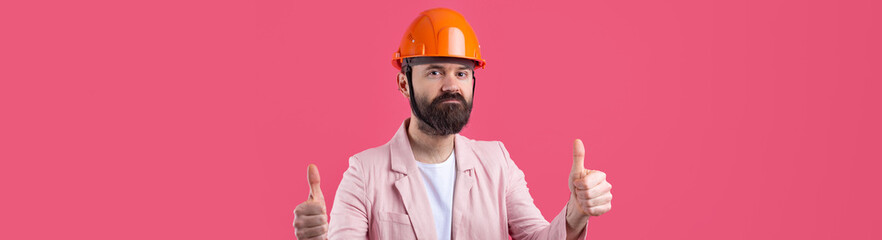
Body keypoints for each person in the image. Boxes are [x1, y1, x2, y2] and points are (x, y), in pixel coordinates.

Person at [293, 8, 612, 240]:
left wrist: (576, 211)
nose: (451, 85)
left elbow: (539, 238)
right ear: (404, 83)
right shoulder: (364, 172)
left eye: (461, 73)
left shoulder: (496, 162)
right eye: (434, 71)